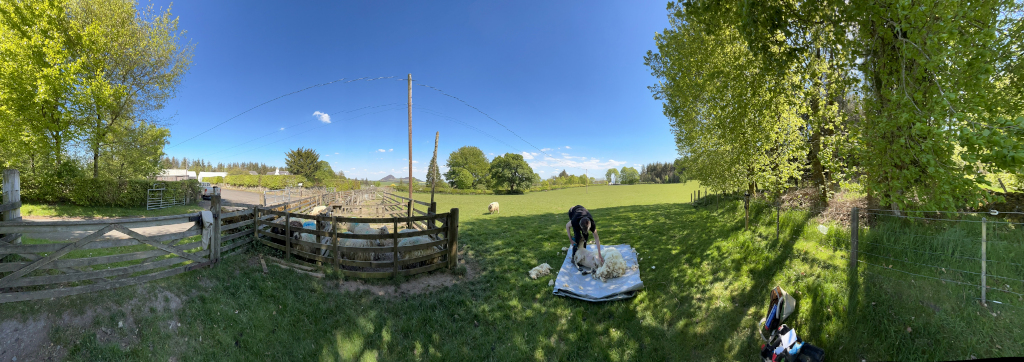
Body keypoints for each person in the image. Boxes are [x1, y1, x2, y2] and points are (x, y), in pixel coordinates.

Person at [565, 205, 602, 270]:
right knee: (577, 236)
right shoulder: (575, 221)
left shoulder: (592, 224)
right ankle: (574, 257)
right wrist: (571, 240)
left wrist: (599, 253)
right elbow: (567, 226)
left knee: (585, 236)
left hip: (581, 212)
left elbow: (596, 238)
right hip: (572, 212)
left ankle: (582, 252)